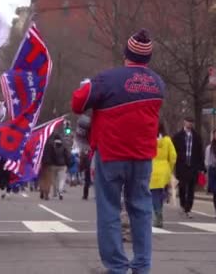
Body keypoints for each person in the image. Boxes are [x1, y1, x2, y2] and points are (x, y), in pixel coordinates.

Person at [71, 29, 164, 274]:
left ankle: (117, 267)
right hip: (143, 155)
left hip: (111, 153)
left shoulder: (108, 79)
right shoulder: (157, 83)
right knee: (142, 209)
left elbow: (77, 102)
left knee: (110, 209)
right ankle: (142, 265)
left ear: (126, 54)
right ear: (148, 58)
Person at [172, 117, 205, 219]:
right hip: (182, 165)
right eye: (188, 122)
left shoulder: (197, 137)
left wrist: (201, 166)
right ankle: (182, 204)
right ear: (184, 122)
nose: (189, 124)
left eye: (191, 122)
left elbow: (200, 153)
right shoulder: (177, 136)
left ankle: (188, 208)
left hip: (193, 165)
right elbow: (173, 152)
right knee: (182, 186)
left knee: (191, 188)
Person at [149, 122, 177, 228]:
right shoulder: (167, 140)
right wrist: (169, 167)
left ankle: (157, 214)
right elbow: (173, 155)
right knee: (160, 193)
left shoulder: (150, 140)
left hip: (152, 169)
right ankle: (159, 211)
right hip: (164, 169)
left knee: (154, 194)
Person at [47, 134, 70, 200]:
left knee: (54, 180)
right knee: (62, 180)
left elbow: (50, 156)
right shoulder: (63, 147)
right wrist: (68, 164)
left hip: (53, 165)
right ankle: (60, 191)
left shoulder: (52, 147)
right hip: (62, 165)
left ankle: (54, 192)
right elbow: (67, 156)